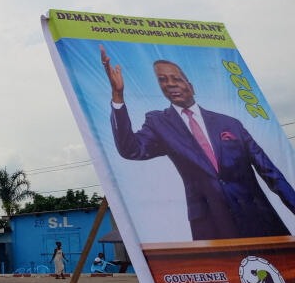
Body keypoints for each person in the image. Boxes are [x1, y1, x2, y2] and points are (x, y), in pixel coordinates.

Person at [102, 45, 295, 240]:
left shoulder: (230, 124)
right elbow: (130, 149)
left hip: (258, 219)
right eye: (163, 80)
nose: (170, 84)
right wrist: (118, 96)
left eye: (176, 78)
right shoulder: (159, 123)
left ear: (191, 86)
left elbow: (270, 172)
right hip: (211, 226)